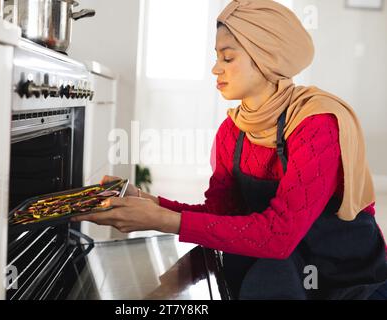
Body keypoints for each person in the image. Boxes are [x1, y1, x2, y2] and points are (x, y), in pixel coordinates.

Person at [72, 0, 387, 299]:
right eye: (216, 57)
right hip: (287, 268)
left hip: (348, 281)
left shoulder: (316, 123)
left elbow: (279, 235)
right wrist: (152, 203)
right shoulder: (233, 130)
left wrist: (160, 220)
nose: (215, 69)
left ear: (266, 58)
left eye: (227, 57)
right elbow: (221, 216)